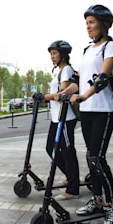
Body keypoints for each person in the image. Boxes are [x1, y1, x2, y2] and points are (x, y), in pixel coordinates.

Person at [62, 4, 113, 224]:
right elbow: (80, 79)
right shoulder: (87, 51)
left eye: (92, 22)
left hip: (103, 110)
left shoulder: (110, 46)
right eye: (86, 23)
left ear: (104, 24)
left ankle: (111, 206)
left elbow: (103, 77)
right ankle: (96, 201)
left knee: (97, 158)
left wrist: (84, 95)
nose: (88, 26)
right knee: (90, 158)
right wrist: (64, 92)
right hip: (86, 112)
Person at [41, 40, 80, 200]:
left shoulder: (66, 70)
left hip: (65, 118)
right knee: (50, 148)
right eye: (50, 54)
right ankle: (71, 177)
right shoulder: (59, 71)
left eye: (55, 53)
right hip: (57, 119)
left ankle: (73, 189)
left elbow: (61, 94)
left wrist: (44, 97)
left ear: (63, 54)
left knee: (67, 152)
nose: (52, 56)